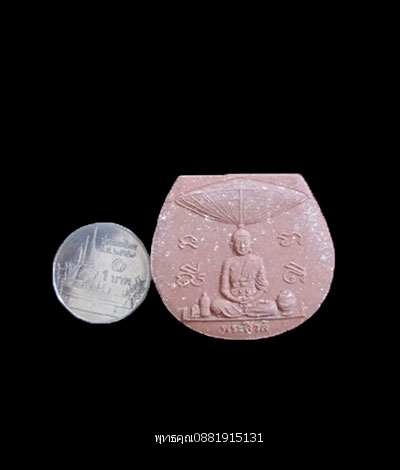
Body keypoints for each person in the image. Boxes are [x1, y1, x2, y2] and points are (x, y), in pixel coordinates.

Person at [211, 228, 272, 317]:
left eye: (245, 243)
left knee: (272, 307)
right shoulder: (228, 262)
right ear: (232, 245)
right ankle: (245, 312)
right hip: (234, 302)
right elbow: (224, 289)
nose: (242, 246)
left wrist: (252, 298)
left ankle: (241, 312)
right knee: (215, 305)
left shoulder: (257, 261)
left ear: (250, 243)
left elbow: (262, 287)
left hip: (253, 301)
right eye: (239, 243)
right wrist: (236, 300)